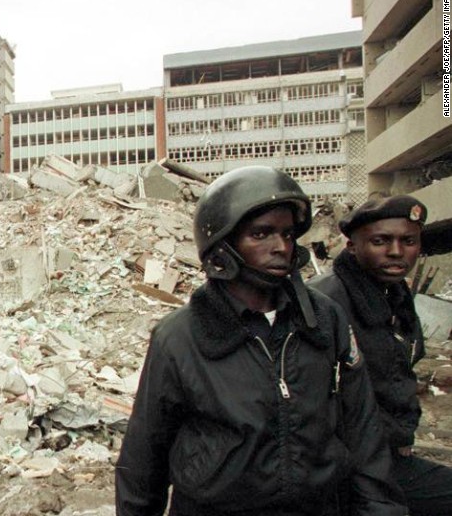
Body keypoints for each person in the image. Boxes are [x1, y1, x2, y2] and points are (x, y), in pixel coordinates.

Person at [115, 166, 405, 516]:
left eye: (286, 234)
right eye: (261, 234)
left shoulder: (325, 320)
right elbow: (144, 459)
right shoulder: (179, 337)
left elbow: (363, 433)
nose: (280, 247)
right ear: (222, 245)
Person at [309, 195, 452, 516]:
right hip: (347, 466)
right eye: (380, 241)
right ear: (351, 245)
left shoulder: (395, 296)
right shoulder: (324, 301)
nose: (396, 251)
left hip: (389, 457)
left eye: (409, 241)